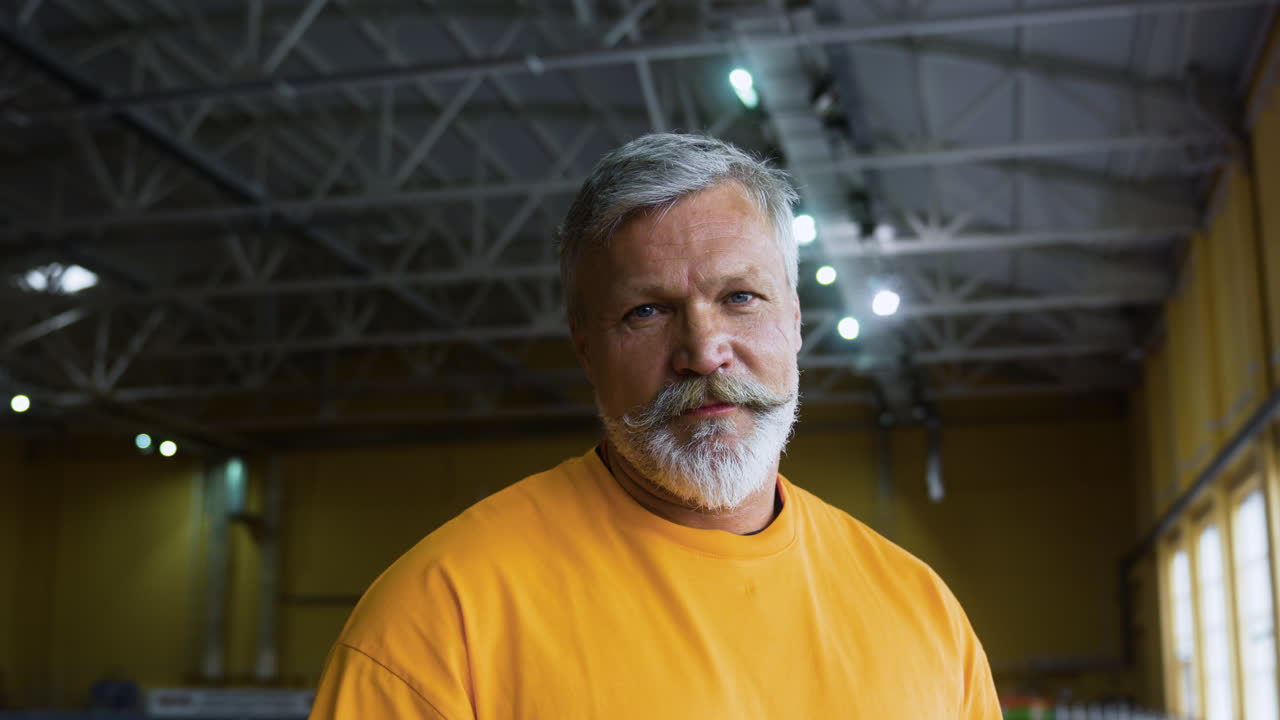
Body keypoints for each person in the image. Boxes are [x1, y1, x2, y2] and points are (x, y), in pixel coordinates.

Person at [310, 134, 1000, 719]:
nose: (704, 349)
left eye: (740, 297)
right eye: (646, 311)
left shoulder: (925, 616)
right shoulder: (439, 618)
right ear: (585, 344)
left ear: (794, 318)